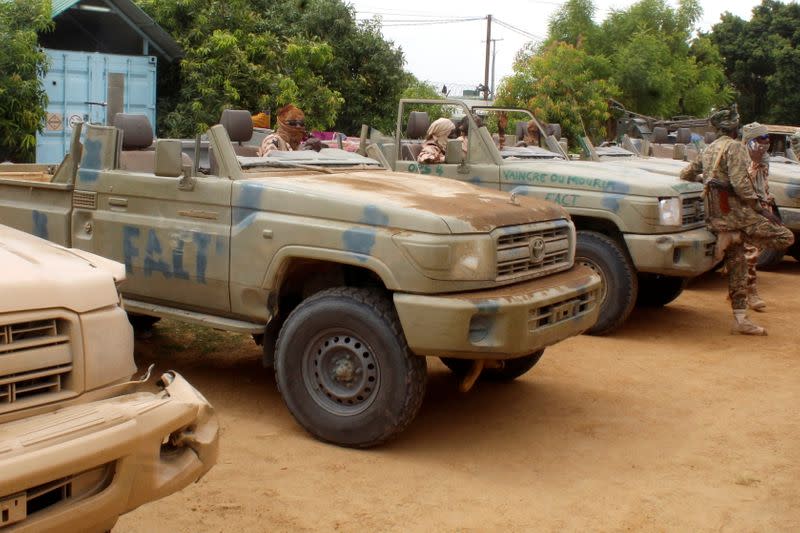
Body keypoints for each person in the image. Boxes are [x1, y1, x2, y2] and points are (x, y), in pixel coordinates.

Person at [680, 107, 794, 335]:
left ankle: (741, 319)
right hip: (736, 217)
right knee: (786, 236)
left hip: (716, 217)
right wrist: (760, 209)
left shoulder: (709, 149)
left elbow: (686, 174)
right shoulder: (735, 148)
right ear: (734, 128)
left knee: (738, 265)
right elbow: (741, 184)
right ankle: (735, 236)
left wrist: (708, 180)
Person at [741, 122, 773, 311]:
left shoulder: (764, 159)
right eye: (761, 138)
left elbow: (762, 185)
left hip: (760, 208)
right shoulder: (741, 158)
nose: (766, 142)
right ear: (750, 141)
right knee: (750, 253)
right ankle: (749, 292)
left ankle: (739, 290)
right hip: (745, 209)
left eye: (768, 138)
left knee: (753, 250)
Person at [257, 104, 321, 156]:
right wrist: (300, 153)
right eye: (293, 123)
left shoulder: (298, 144)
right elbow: (270, 163)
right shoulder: (272, 140)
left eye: (301, 124)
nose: (298, 126)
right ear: (282, 123)